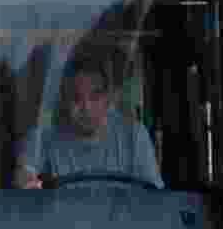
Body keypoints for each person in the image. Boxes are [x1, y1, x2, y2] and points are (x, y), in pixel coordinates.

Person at [14, 53, 163, 189]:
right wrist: (27, 180)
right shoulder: (45, 137)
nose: (86, 108)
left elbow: (152, 197)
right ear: (65, 100)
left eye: (95, 96)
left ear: (107, 98)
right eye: (76, 98)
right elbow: (25, 177)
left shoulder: (134, 136)